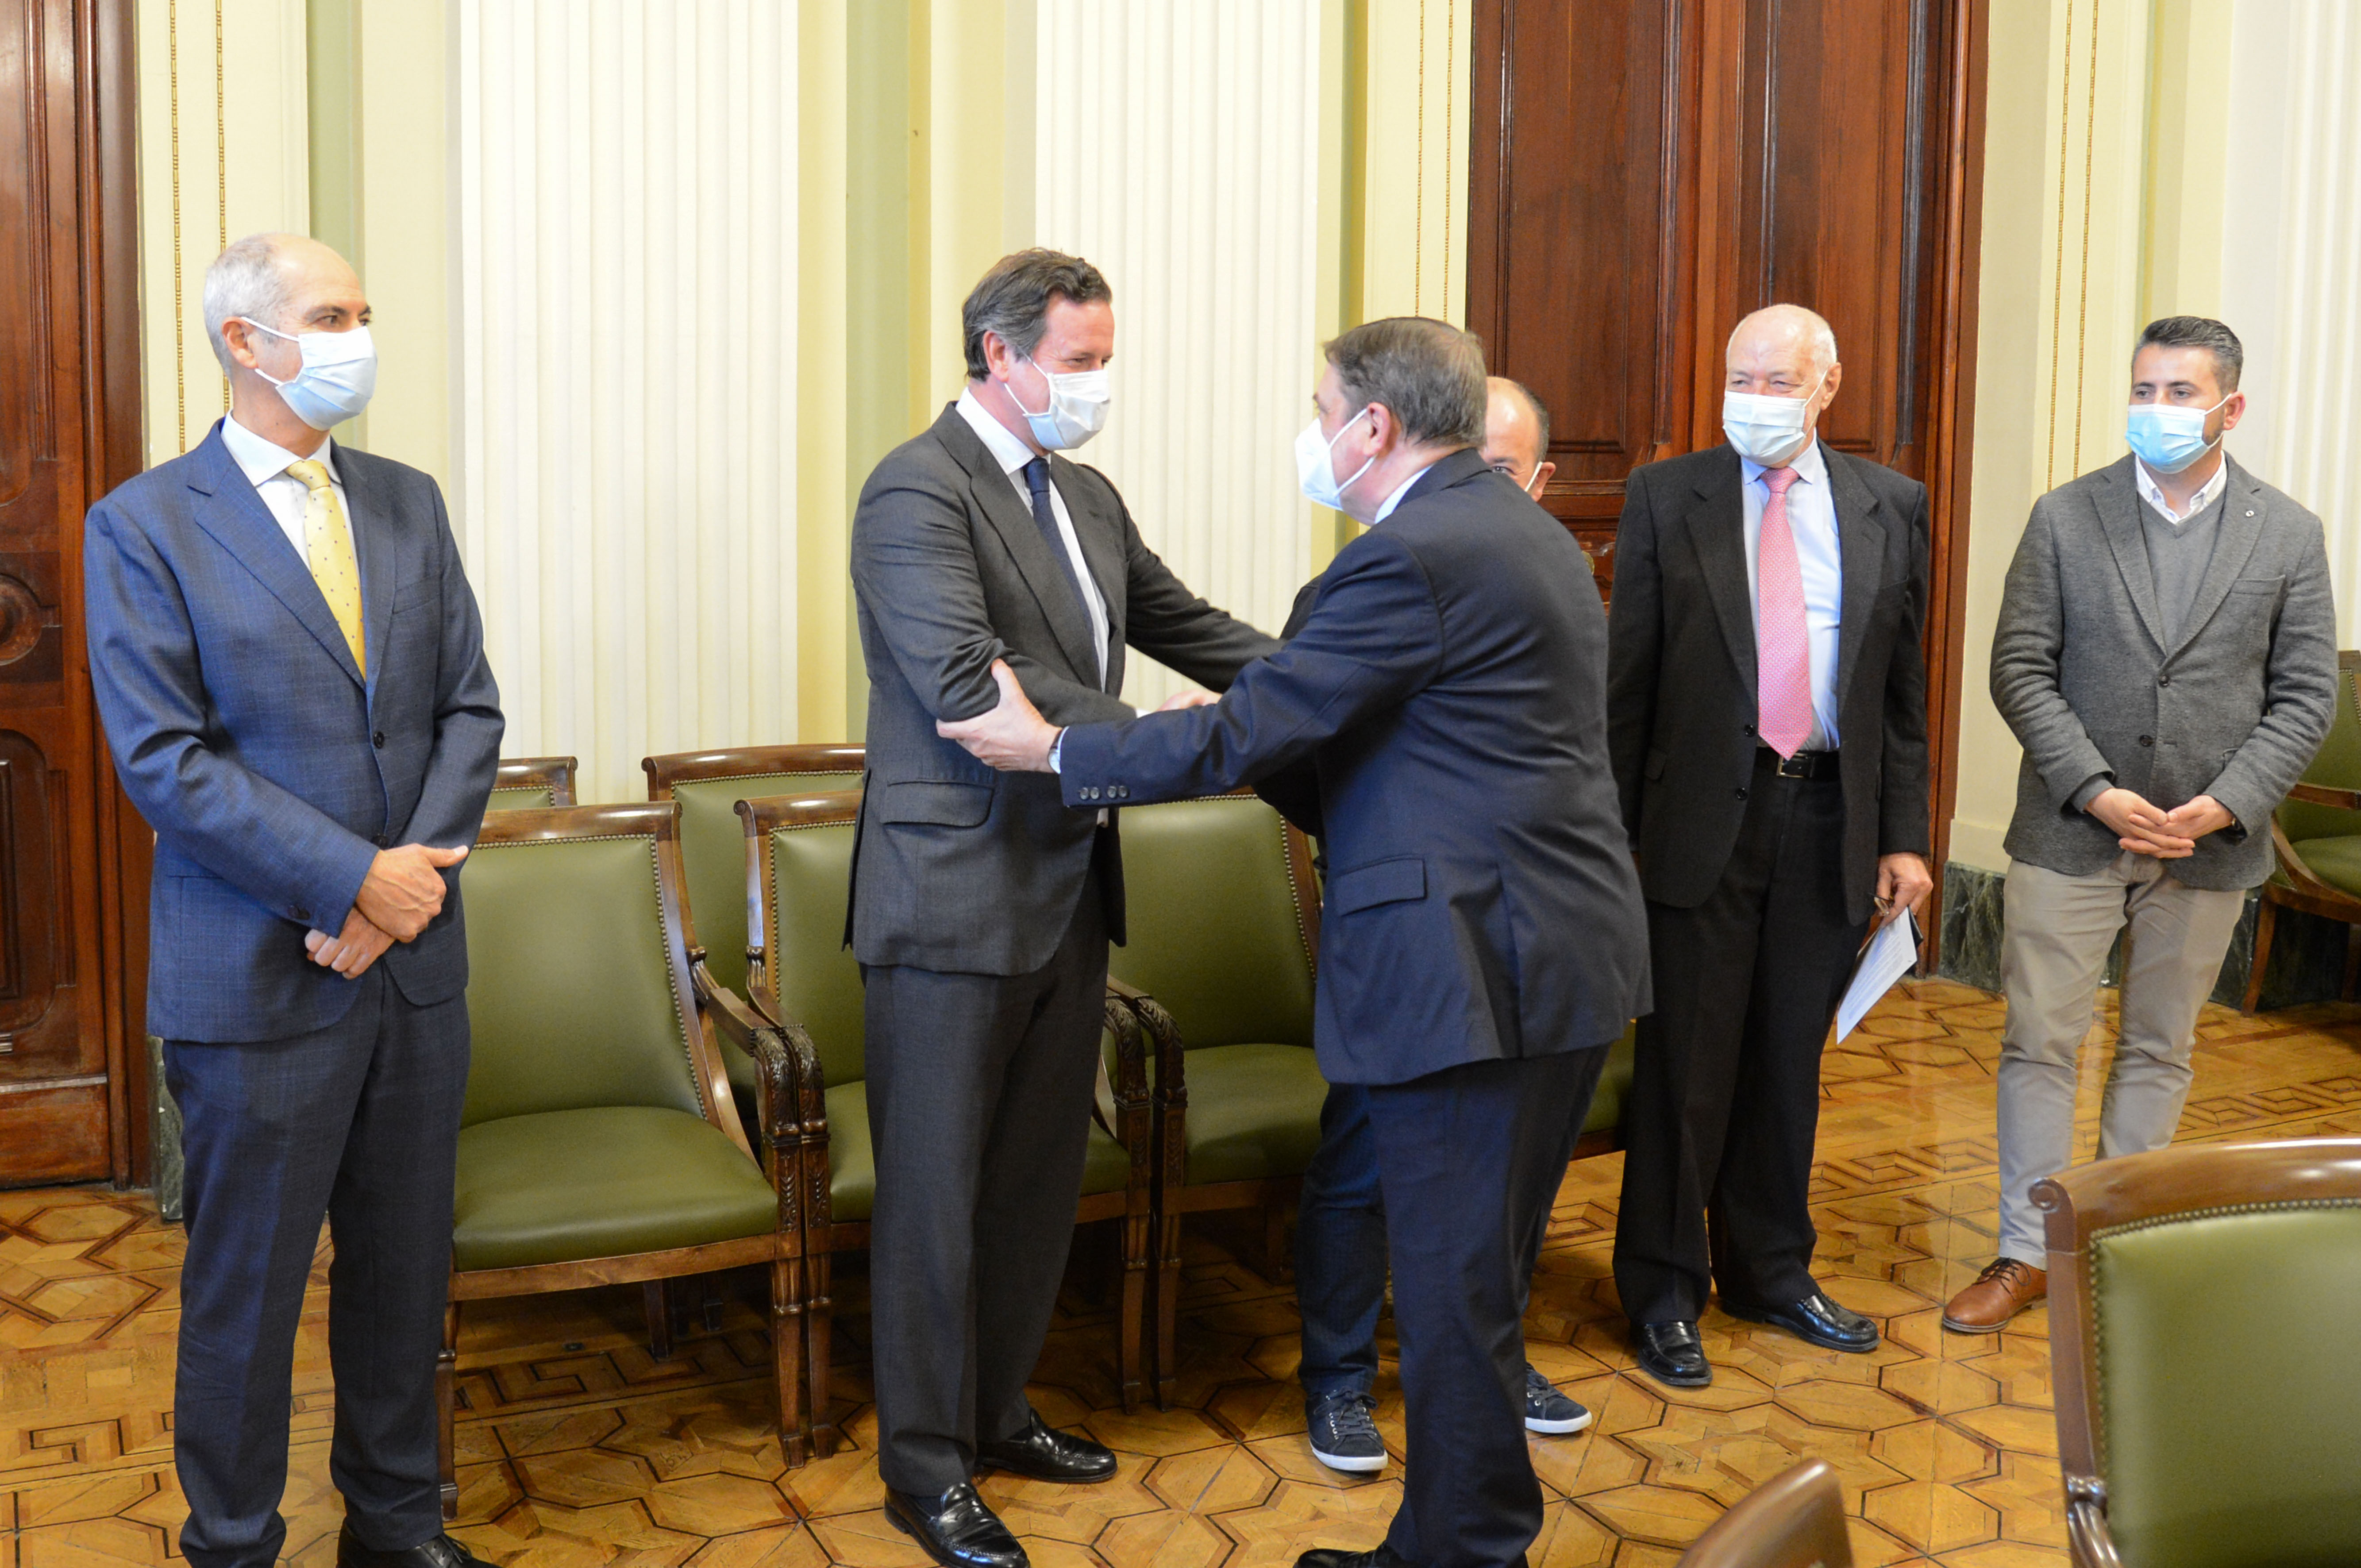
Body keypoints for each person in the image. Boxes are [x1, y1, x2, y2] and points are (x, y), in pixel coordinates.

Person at [939, 316, 1650, 1568]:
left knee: (1451, 1290)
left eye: (1324, 411)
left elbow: (1249, 733)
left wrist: (1056, 749)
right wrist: (1254, 724)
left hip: (1465, 971)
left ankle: (1462, 1552)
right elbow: (1401, 750)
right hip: (1559, 954)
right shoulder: (1524, 530)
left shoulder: (1409, 557)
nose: (1315, 433)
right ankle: (1458, 1537)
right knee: (1479, 1282)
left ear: (1376, 425)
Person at [847, 248, 1278, 1568]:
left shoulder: (1084, 493)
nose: (1099, 383)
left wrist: (1319, 684)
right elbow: (968, 684)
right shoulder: (916, 488)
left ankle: (996, 1410)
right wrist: (1171, 734)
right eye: (1080, 361)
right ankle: (927, 1467)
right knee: (935, 1199)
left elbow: (1185, 621)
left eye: (1105, 359)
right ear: (999, 352)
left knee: (1034, 1184)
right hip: (951, 897)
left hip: (1069, 886)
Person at [83, 235, 503, 1568]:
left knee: (401, 1275)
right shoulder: (144, 524)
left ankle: (395, 1523)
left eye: (362, 312)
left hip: (411, 971)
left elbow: (468, 713)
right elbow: (166, 760)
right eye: (330, 315)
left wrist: (397, 893)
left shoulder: (407, 500)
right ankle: (233, 1541)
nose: (357, 338)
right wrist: (350, 878)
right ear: (245, 342)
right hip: (257, 982)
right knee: (247, 1293)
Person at [1945, 316, 2337, 1333]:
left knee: (2159, 1047)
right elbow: (2018, 668)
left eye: (2178, 392)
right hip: (2073, 829)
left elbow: (2304, 695)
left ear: (2229, 407)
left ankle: (2113, 1250)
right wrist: (2093, 787)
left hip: (2208, 844)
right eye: (2143, 389)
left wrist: (2228, 801)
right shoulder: (2064, 517)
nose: (2154, 409)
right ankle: (2026, 1249)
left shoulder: (2287, 533)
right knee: (2040, 1039)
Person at [1607, 304, 1933, 1389]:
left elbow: (1899, 692)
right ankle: (1663, 1292)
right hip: (1699, 820)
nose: (1752, 398)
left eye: (1776, 380)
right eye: (1739, 377)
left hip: (1832, 815)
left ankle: (1768, 1271)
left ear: (1826, 386)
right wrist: (1610, 838)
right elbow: (1627, 681)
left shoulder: (1891, 503)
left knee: (1788, 1063)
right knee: (1685, 1069)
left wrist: (1904, 836)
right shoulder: (1667, 495)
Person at [1284, 374, 1590, 1482]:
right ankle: (1338, 1376)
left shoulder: (1541, 571)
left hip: (1523, 937)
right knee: (1363, 1163)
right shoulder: (1361, 580)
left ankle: (1485, 1372)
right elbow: (1292, 751)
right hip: (1416, 939)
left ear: (1531, 481)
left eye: (1500, 472)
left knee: (1496, 1195)